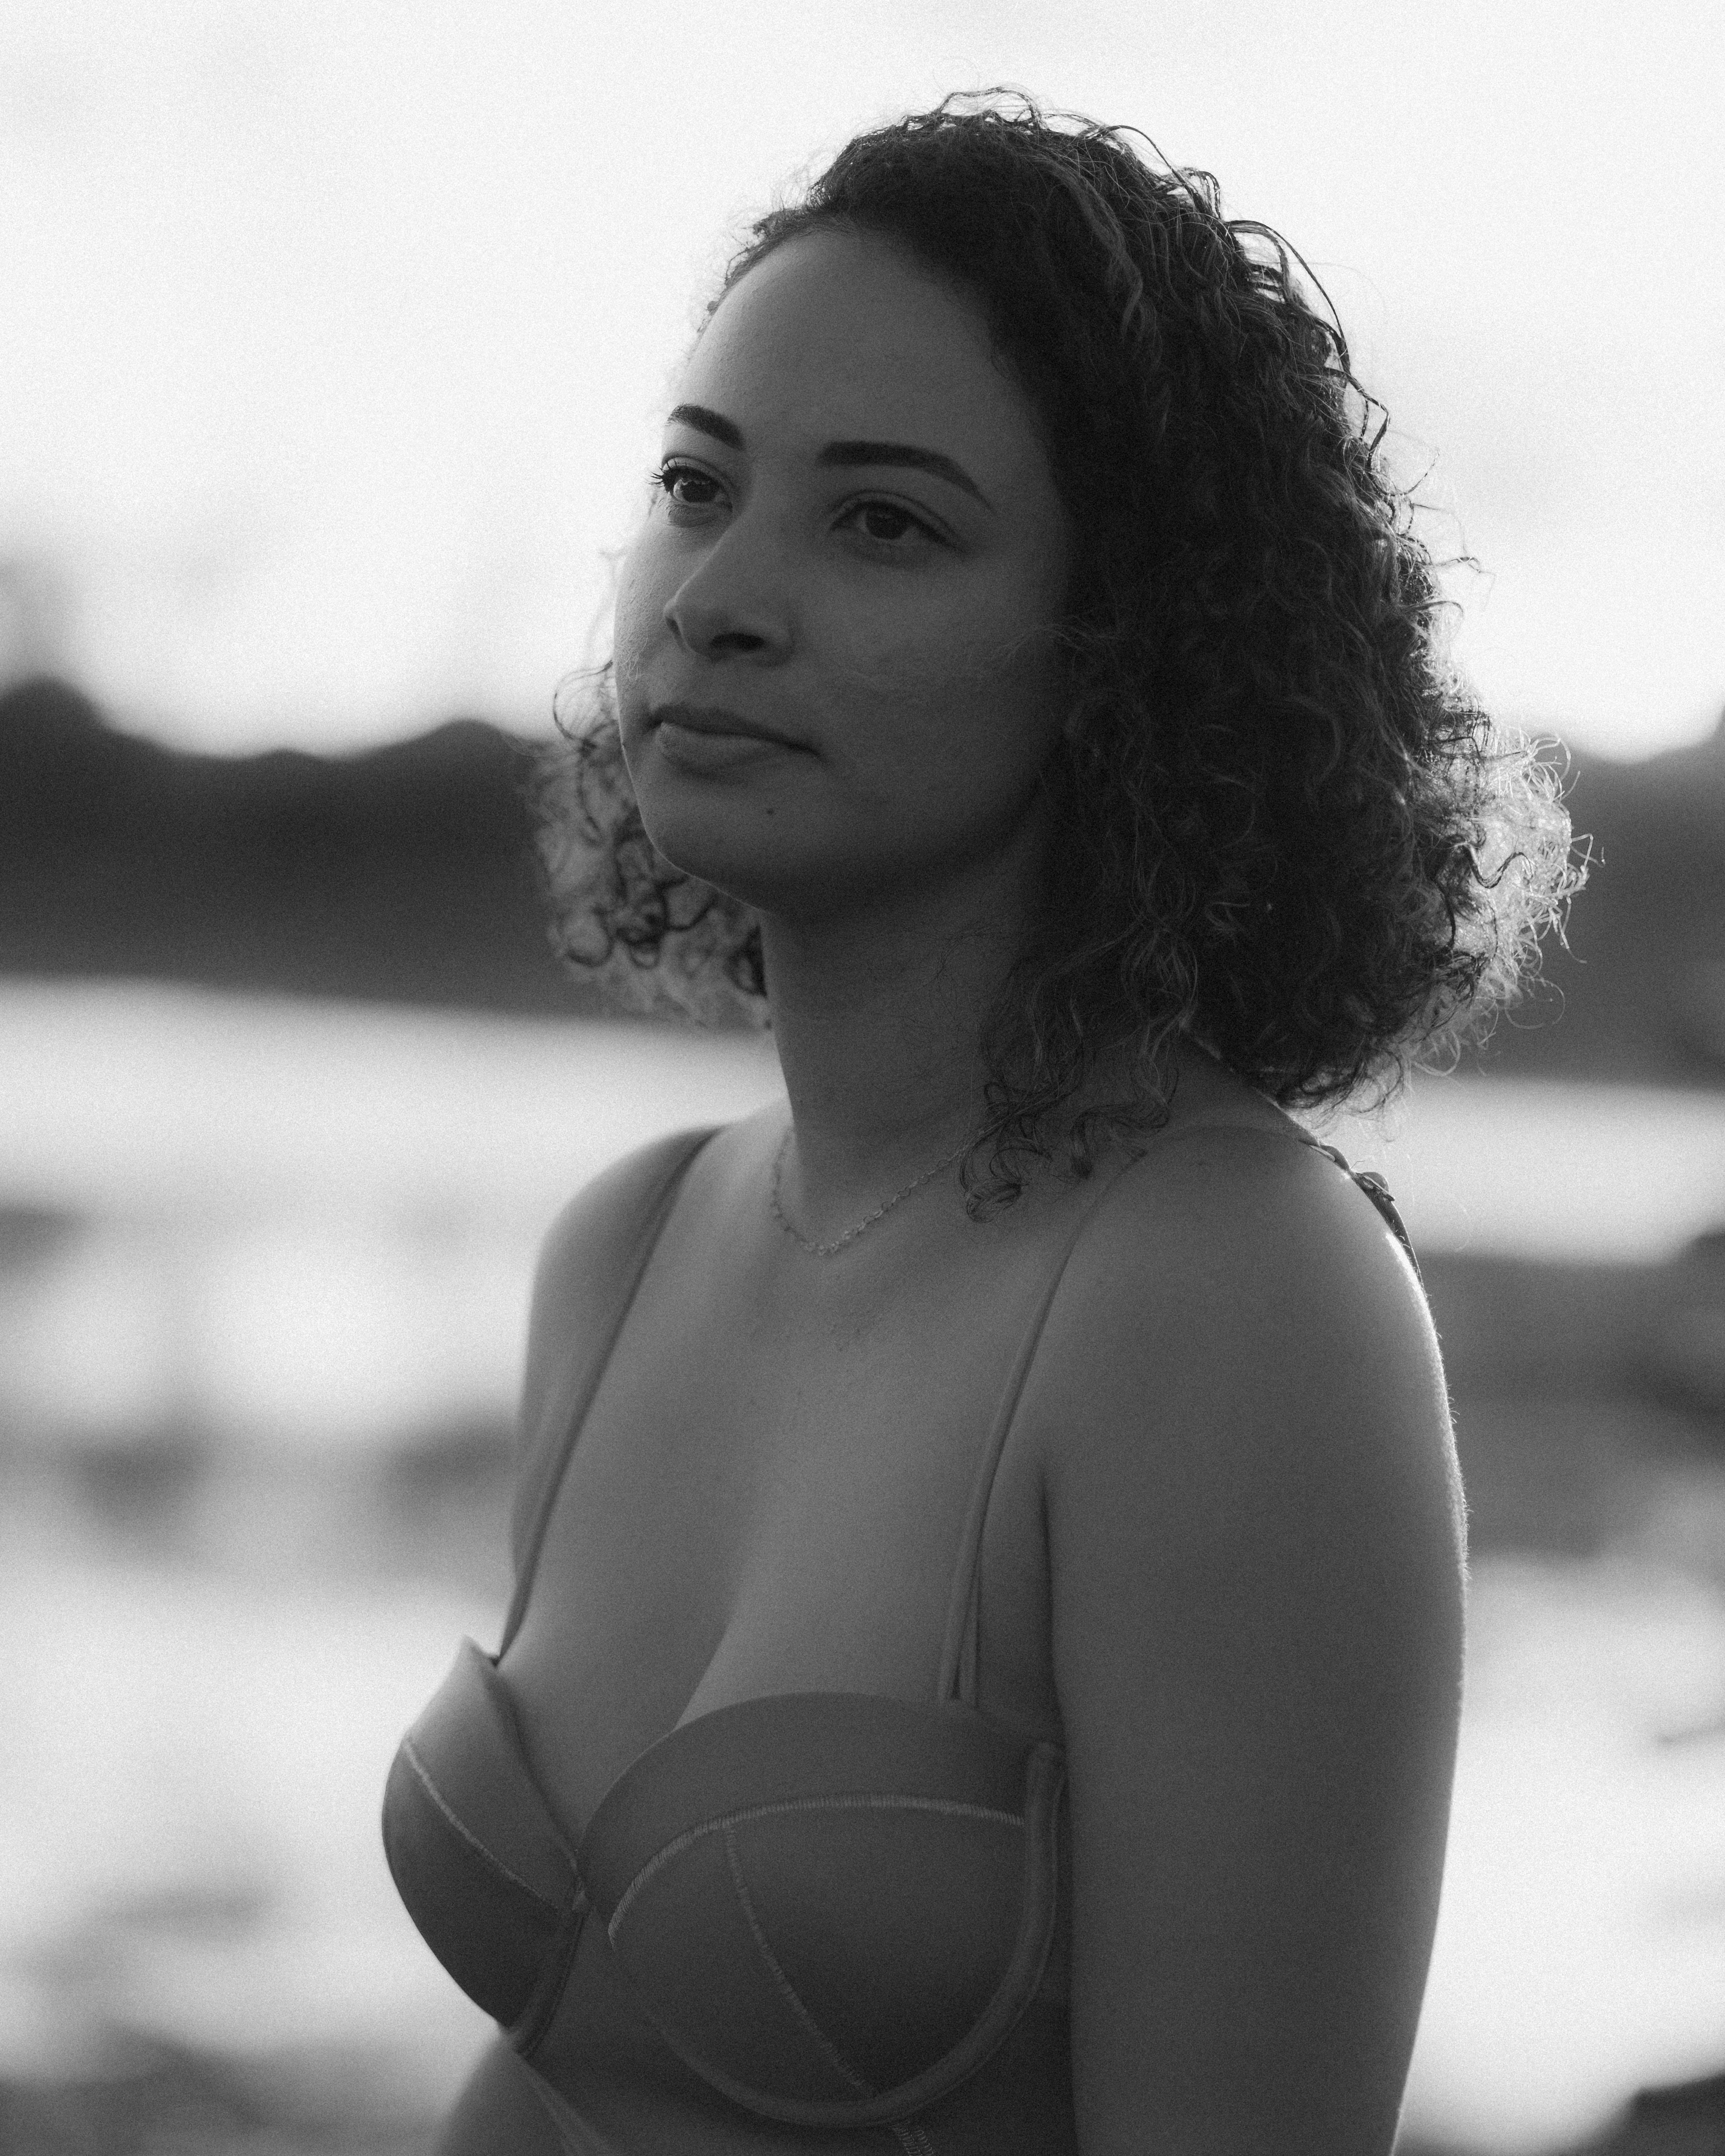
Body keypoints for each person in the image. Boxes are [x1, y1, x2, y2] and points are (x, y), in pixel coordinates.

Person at [383, 92, 1580, 2155]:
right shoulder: (630, 1241)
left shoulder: (1235, 1295)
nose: (717, 595)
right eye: (695, 485)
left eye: (883, 523)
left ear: (1131, 656)